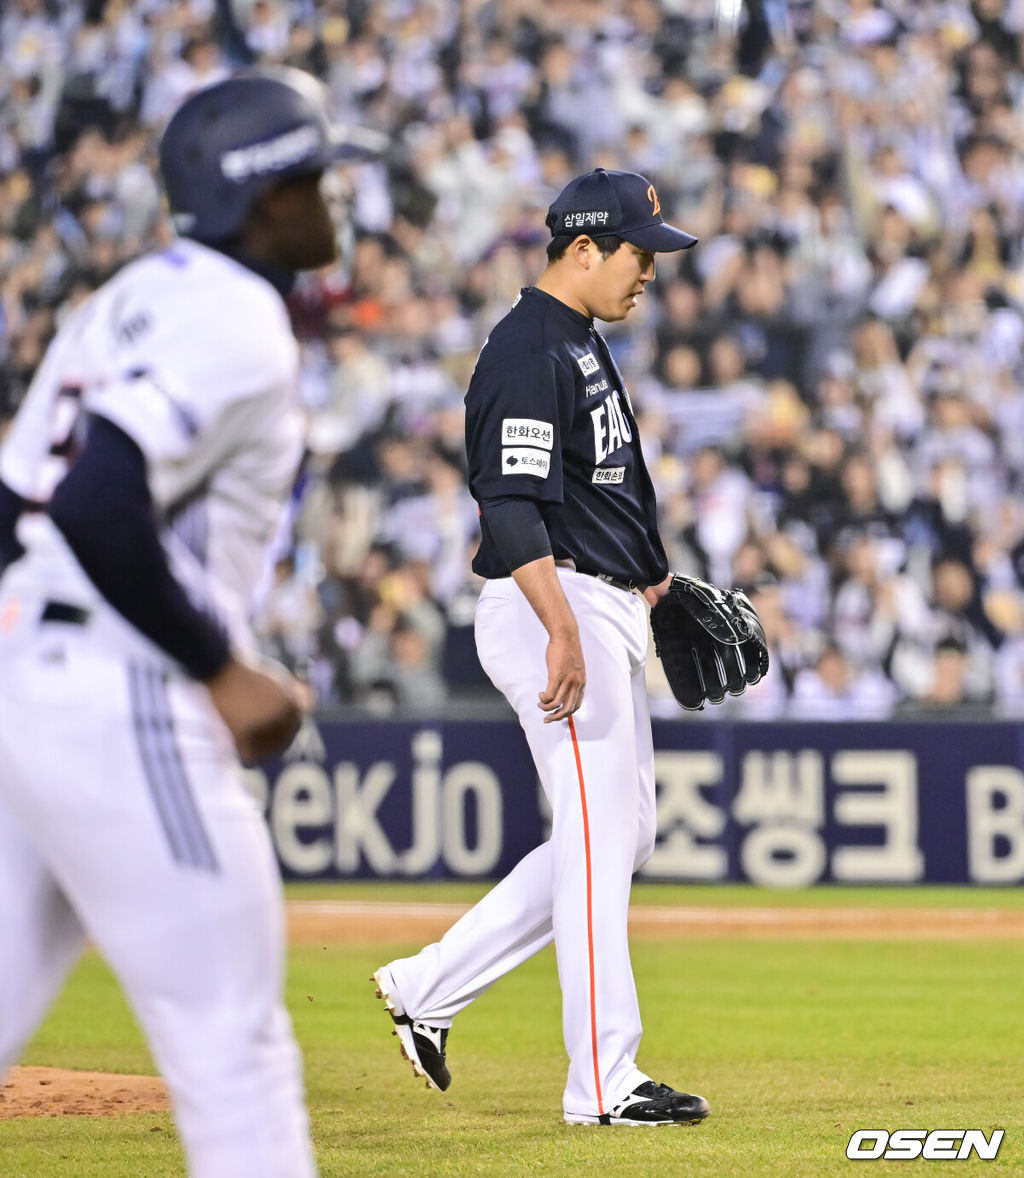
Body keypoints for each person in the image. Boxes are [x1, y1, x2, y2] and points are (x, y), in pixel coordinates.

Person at [0, 67, 374, 1178]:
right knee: (236, 1050)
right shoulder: (235, 317)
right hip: (124, 693)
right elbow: (98, 497)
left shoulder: (120, 300)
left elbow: (27, 493)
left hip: (27, 672)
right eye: (314, 177)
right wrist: (222, 667)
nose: (332, 199)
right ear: (264, 200)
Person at [373, 168, 711, 1127]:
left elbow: (599, 492)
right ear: (584, 249)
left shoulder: (579, 343)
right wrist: (563, 622)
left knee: (615, 836)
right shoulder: (530, 347)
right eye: (642, 252)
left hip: (594, 599)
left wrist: (653, 581)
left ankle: (428, 986)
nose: (653, 269)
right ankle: (603, 1084)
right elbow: (508, 501)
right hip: (546, 603)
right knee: (602, 839)